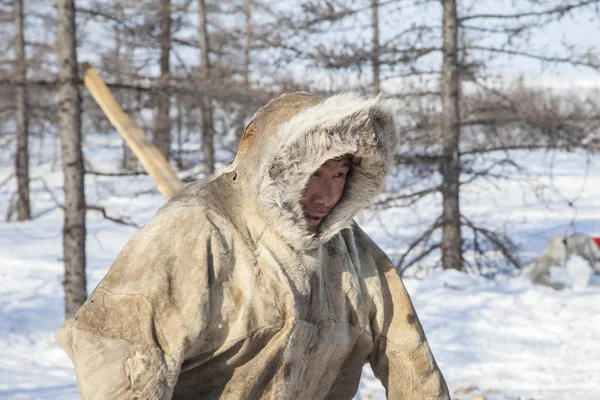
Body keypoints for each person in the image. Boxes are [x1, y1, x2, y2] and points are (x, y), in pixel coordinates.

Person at [57, 92, 450, 399]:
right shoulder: (195, 228)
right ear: (277, 167)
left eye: (340, 174)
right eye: (313, 173)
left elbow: (407, 356)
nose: (326, 195)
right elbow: (119, 352)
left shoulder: (346, 247)